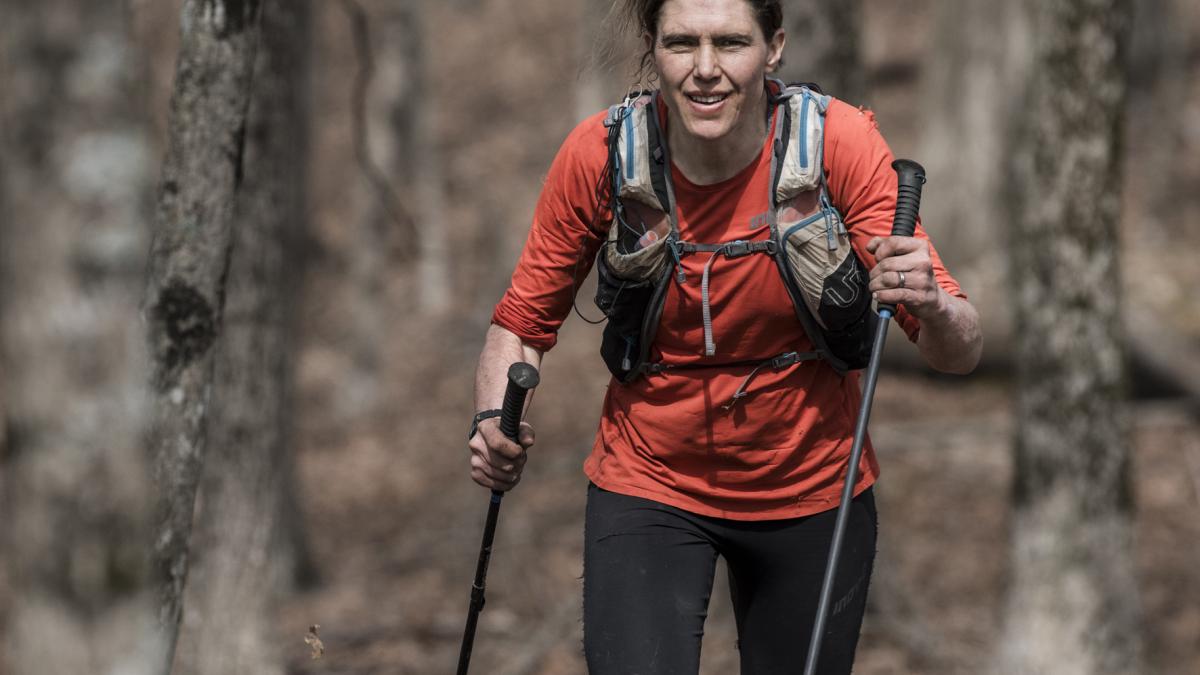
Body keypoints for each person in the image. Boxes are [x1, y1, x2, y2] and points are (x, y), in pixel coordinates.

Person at [467, 0, 983, 672]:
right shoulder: (601, 154)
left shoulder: (838, 144)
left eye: (730, 42)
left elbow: (959, 349)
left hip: (814, 488)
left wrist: (934, 305)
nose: (706, 69)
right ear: (652, 46)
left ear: (773, 48)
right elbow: (520, 323)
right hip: (648, 480)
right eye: (683, 43)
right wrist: (491, 419)